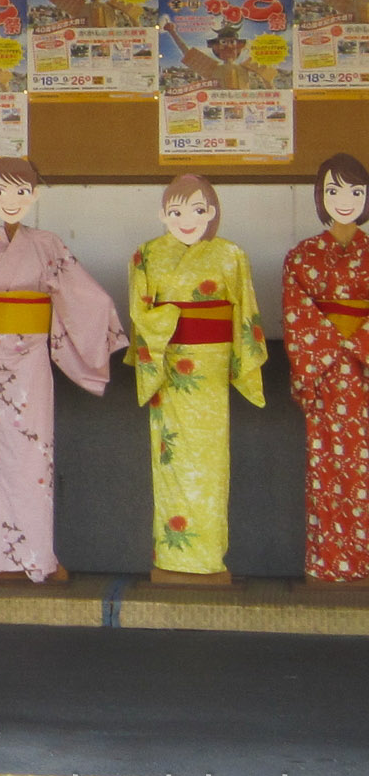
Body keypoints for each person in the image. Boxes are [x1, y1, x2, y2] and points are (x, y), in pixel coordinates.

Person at [0, 158, 124, 582]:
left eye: (22, 191)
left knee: (34, 458)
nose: (11, 200)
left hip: (32, 362)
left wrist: (109, 324)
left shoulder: (49, 245)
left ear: (35, 194)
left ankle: (37, 555)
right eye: (0, 191)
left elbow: (84, 297)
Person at [129, 173, 268, 584]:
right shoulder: (146, 256)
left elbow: (245, 313)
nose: (186, 219)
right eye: (175, 211)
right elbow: (141, 313)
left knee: (210, 465)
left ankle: (208, 559)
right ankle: (173, 559)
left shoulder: (231, 256)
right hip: (169, 370)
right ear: (162, 214)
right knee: (170, 462)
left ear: (212, 213)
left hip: (210, 373)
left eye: (197, 210)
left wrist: (240, 364)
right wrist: (170, 322)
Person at [283, 153, 369, 584]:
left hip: (363, 375)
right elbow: (298, 314)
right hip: (327, 377)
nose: (345, 200)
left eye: (355, 191)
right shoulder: (302, 257)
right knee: (326, 470)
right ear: (320, 197)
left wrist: (354, 345)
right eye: (334, 191)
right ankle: (329, 563)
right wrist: (339, 347)